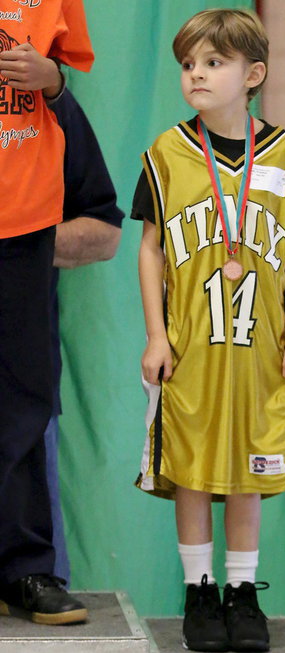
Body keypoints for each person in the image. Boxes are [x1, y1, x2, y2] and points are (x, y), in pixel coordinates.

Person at [132, 9, 285, 652]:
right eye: (189, 64)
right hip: (191, 349)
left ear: (254, 74)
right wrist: (157, 335)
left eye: (214, 63)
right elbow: (152, 248)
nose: (197, 75)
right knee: (192, 469)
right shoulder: (166, 153)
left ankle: (243, 594)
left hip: (258, 352)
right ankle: (199, 591)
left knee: (248, 472)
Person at [0, 1, 93, 625]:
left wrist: (49, 80)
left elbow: (63, 78)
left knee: (24, 398)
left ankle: (27, 571)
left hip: (24, 221)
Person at [46, 88, 124, 584]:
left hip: (20, 370)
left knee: (37, 582)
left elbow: (106, 232)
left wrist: (21, 241)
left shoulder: (51, 109)